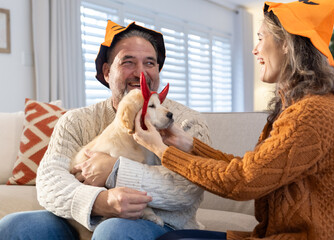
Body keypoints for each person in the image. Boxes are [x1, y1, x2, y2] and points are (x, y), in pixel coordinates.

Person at [133, 0, 334, 239]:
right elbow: (251, 169)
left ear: (286, 44)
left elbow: (242, 180)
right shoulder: (306, 106)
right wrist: (187, 143)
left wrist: (161, 150)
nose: (255, 49)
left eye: (261, 38)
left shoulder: (313, 113)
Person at [0, 21, 210, 240]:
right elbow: (49, 181)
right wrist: (102, 202)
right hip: (81, 220)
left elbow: (188, 189)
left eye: (150, 63)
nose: (141, 73)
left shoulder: (187, 122)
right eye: (128, 62)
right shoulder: (76, 120)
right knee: (15, 226)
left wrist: (115, 171)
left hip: (162, 224)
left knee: (112, 231)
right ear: (107, 72)